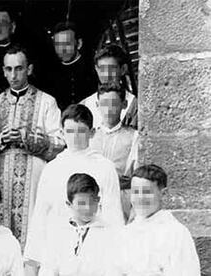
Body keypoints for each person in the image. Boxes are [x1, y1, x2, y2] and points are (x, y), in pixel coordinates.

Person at [0, 45, 65, 248]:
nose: (13, 75)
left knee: (33, 228)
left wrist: (28, 137)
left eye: (19, 68)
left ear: (29, 69)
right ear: (3, 71)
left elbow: (60, 144)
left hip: (34, 177)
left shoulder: (46, 102)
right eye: (9, 69)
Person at [24, 104, 124, 275]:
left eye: (81, 131)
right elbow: (41, 214)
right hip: (57, 248)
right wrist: (32, 260)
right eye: (70, 131)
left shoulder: (104, 167)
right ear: (62, 133)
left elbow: (113, 212)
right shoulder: (52, 168)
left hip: (94, 248)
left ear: (92, 133)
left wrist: (118, 258)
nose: (75, 137)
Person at [119, 164, 200, 275]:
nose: (140, 198)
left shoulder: (176, 233)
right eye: (136, 192)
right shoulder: (126, 233)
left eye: (147, 192)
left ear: (163, 194)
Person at [39, 173, 123, 276]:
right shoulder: (58, 233)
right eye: (81, 203)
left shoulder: (109, 234)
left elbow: (113, 271)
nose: (87, 208)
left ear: (98, 200)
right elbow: (48, 270)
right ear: (69, 204)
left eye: (92, 202)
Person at [89, 81, 138, 221]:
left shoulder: (133, 137)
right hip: (93, 200)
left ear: (124, 104)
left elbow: (136, 176)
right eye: (104, 104)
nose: (109, 109)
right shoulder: (90, 136)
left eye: (114, 103)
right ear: (97, 105)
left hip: (121, 199)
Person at [81, 44, 137, 129]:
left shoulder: (133, 106)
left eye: (112, 69)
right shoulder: (85, 105)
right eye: (102, 69)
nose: (107, 75)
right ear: (96, 69)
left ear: (123, 69)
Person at [48, 21, 98, 110]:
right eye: (58, 45)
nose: (62, 49)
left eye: (67, 44)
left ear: (79, 44)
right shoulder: (52, 75)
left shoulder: (94, 68)